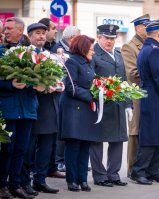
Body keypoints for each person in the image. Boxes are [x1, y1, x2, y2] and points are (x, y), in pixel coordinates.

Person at [0, 18, 45, 199]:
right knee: (6, 150)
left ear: (20, 31)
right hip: (8, 108)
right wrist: (10, 84)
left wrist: (42, 84)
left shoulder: (33, 53)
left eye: (10, 28)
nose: (6, 31)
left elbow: (43, 77)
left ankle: (15, 185)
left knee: (21, 150)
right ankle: (2, 185)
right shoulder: (1, 52)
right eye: (5, 28)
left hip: (27, 108)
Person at [131, 19, 159, 185]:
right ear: (158, 33)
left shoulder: (146, 48)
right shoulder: (155, 50)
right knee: (150, 139)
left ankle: (153, 171)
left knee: (157, 137)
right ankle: (139, 171)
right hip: (156, 99)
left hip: (150, 98)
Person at [90, 24, 130, 187]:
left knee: (117, 140)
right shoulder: (93, 54)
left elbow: (125, 80)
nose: (110, 41)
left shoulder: (119, 54)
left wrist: (128, 104)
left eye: (112, 38)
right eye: (106, 38)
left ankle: (113, 173)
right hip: (102, 105)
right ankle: (99, 175)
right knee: (97, 140)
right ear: (99, 37)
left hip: (118, 105)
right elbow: (91, 80)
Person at [59, 35, 98, 192]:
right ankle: (72, 180)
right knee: (74, 146)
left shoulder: (88, 63)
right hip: (74, 110)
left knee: (85, 146)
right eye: (91, 48)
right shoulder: (72, 62)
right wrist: (93, 95)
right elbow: (71, 87)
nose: (93, 52)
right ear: (83, 47)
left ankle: (83, 179)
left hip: (86, 110)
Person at [121, 13, 150, 178]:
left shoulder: (150, 44)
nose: (148, 29)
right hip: (136, 95)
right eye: (146, 26)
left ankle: (145, 168)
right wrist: (155, 73)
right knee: (135, 133)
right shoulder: (129, 47)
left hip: (149, 94)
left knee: (147, 132)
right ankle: (132, 169)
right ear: (138, 28)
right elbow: (132, 73)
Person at [52, 26, 81, 173]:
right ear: (71, 39)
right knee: (61, 127)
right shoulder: (58, 49)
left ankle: (66, 160)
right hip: (59, 92)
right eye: (78, 37)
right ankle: (59, 161)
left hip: (66, 91)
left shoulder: (70, 50)